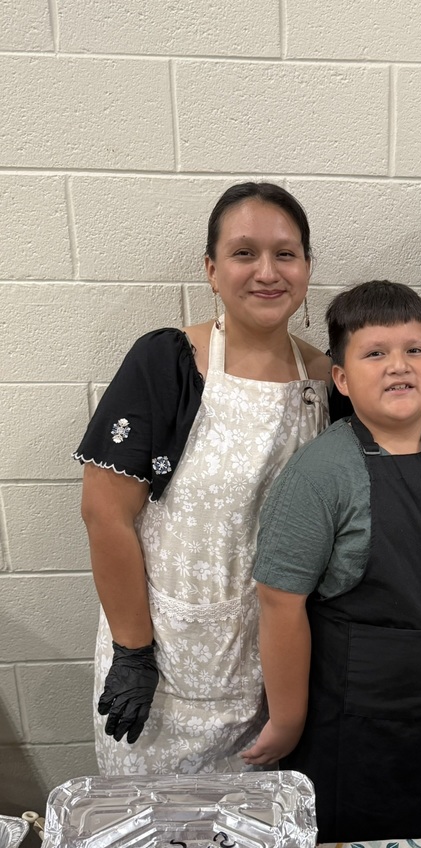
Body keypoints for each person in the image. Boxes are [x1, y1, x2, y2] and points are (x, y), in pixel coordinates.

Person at [75, 182, 330, 775]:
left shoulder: (323, 380)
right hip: (159, 672)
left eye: (285, 254)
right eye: (244, 253)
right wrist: (133, 652)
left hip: (267, 677)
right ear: (212, 270)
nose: (267, 271)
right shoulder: (167, 363)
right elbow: (104, 513)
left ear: (307, 268)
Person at [243, 281, 421, 843]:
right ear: (340, 377)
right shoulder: (321, 474)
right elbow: (279, 603)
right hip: (352, 723)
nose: (398, 366)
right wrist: (287, 720)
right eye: (374, 353)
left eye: (415, 349)